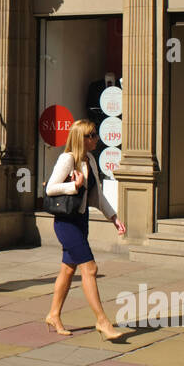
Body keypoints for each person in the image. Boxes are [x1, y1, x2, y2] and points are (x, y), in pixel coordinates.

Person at [44, 118, 128, 339]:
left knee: (68, 269)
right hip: (66, 223)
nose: (96, 139)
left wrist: (114, 217)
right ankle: (102, 321)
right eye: (92, 135)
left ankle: (53, 314)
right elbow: (51, 188)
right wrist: (75, 185)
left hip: (81, 220)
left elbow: (97, 196)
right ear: (82, 138)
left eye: (95, 135)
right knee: (90, 269)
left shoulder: (89, 159)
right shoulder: (67, 159)